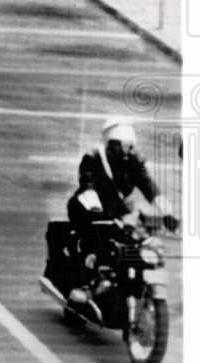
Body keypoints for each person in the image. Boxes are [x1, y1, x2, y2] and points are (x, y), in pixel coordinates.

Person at [49, 118, 178, 307]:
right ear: (109, 144)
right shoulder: (93, 158)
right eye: (118, 145)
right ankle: (86, 285)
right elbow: (88, 185)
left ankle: (125, 280)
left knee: (136, 241)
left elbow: (149, 187)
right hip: (85, 206)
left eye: (128, 146)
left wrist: (167, 213)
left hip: (117, 208)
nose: (124, 151)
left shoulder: (134, 161)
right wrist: (97, 211)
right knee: (96, 240)